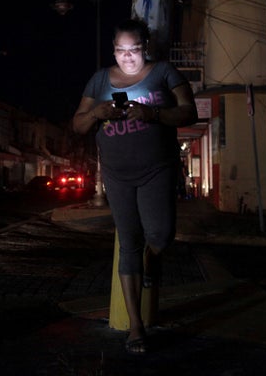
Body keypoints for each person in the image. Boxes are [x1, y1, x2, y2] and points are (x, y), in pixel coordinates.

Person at [72, 18, 198, 354]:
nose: (127, 57)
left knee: (161, 235)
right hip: (117, 175)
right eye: (120, 50)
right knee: (128, 243)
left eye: (134, 49)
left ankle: (152, 260)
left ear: (145, 48)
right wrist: (98, 113)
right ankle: (136, 328)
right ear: (114, 50)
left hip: (157, 169)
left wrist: (152, 115)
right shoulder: (99, 79)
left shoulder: (164, 72)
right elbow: (78, 124)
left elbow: (189, 113)